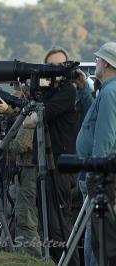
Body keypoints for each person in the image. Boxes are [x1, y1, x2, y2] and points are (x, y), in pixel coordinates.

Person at [30, 45, 80, 265]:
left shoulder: (69, 90)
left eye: (60, 65)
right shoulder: (48, 91)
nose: (56, 70)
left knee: (60, 225)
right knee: (47, 226)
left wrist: (23, 116)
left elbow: (41, 115)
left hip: (61, 164)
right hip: (45, 162)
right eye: (51, 66)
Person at [74, 42, 116, 265]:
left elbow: (105, 136)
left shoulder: (110, 92)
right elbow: (92, 120)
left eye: (98, 60)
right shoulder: (107, 89)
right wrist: (83, 87)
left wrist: (96, 170)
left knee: (99, 237)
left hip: (100, 175)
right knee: (95, 235)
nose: (96, 63)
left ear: (106, 63)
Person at [0, 85, 42, 258]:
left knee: (25, 217)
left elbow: (21, 145)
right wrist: (9, 111)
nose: (18, 92)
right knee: (27, 216)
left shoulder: (34, 111)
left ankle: (32, 257)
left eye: (21, 88)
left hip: (29, 171)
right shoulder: (35, 110)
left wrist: (2, 146)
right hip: (29, 170)